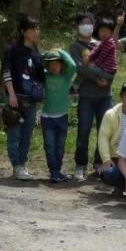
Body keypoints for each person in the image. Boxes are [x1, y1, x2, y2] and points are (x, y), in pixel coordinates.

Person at [71, 13, 114, 180]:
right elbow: (80, 68)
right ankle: (80, 165)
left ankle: (98, 163)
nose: (86, 26)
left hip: (105, 95)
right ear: (78, 26)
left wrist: (107, 79)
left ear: (94, 25)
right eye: (83, 23)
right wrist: (98, 77)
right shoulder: (75, 47)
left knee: (104, 132)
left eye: (89, 23)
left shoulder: (102, 44)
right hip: (86, 95)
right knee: (84, 130)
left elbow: (112, 67)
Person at [2, 15, 43, 180]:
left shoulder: (36, 53)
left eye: (37, 29)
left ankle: (23, 164)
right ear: (23, 31)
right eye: (32, 29)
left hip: (31, 100)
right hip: (16, 97)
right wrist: (11, 95)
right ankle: (16, 165)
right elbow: (7, 73)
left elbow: (40, 78)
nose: (36, 32)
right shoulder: (13, 50)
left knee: (27, 133)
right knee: (14, 132)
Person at [40, 48, 78, 183]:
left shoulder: (66, 78)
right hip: (47, 118)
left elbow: (73, 65)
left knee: (60, 147)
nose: (54, 66)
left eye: (57, 63)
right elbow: (39, 60)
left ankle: (57, 171)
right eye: (51, 63)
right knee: (50, 146)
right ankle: (54, 173)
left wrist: (60, 51)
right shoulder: (44, 76)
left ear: (62, 65)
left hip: (62, 117)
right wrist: (48, 52)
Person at [97, 80, 126, 175]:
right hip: (117, 156)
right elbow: (103, 138)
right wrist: (106, 160)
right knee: (108, 174)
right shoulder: (110, 114)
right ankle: (121, 185)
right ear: (121, 97)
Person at [85, 13, 125, 80]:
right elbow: (96, 50)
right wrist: (89, 57)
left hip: (108, 71)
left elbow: (102, 56)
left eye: (106, 31)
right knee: (88, 66)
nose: (103, 34)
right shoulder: (103, 42)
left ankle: (97, 80)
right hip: (104, 69)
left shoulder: (109, 43)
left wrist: (94, 64)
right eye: (101, 31)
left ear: (111, 33)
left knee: (88, 69)